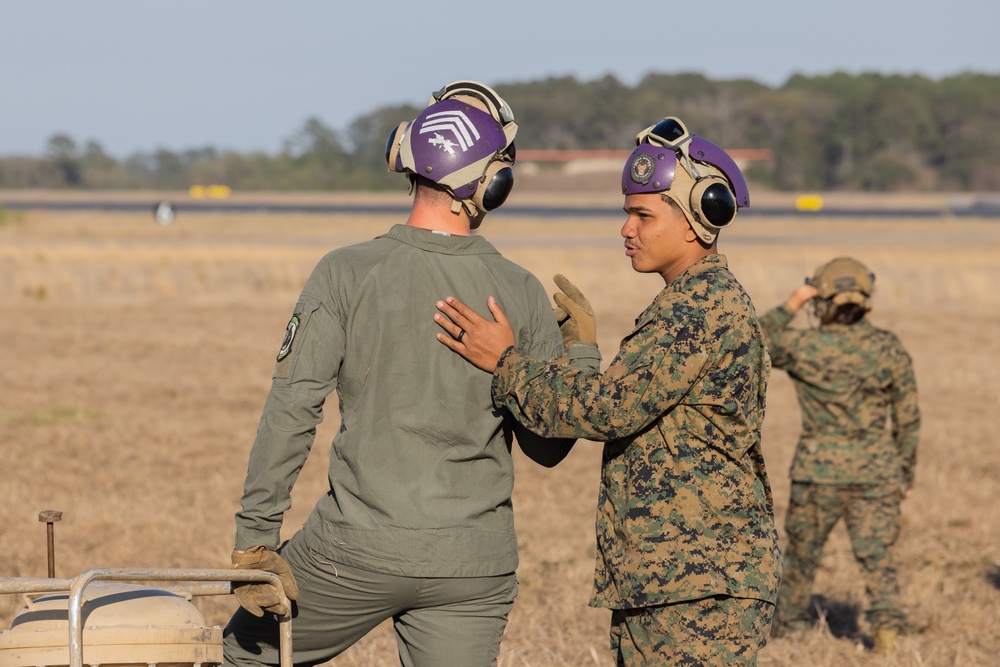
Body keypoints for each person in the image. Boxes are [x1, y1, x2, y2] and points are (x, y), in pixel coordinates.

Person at [222, 80, 581, 667]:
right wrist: (580, 356)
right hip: (473, 562)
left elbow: (292, 410)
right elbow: (548, 448)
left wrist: (255, 542)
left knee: (242, 654)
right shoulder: (521, 291)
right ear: (492, 184)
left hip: (353, 548)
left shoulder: (344, 272)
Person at [433, 116, 781, 666]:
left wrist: (505, 361)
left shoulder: (695, 311)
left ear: (699, 219)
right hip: (676, 577)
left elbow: (605, 410)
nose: (627, 229)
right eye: (627, 213)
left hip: (695, 582)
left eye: (643, 215)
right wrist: (583, 353)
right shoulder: (693, 303)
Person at [760, 257, 920, 654]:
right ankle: (887, 638)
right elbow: (908, 420)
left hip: (818, 472)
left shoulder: (804, 345)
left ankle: (789, 633)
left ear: (821, 297)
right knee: (877, 558)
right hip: (877, 472)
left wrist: (793, 302)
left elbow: (752, 339)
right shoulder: (888, 347)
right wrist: (904, 474)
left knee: (800, 557)